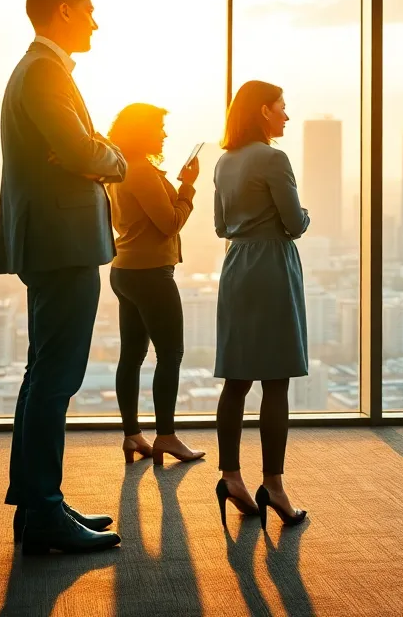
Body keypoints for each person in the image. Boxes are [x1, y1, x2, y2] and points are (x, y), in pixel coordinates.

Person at [0, 0, 126, 555]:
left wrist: (85, 155)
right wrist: (114, 157)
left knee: (43, 374)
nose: (96, 21)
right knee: (57, 378)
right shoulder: (44, 72)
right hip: (62, 241)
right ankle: (43, 509)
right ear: (65, 11)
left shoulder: (40, 69)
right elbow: (78, 150)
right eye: (89, 10)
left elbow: (72, 152)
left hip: (53, 240)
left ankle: (38, 504)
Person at [212, 80, 309, 532]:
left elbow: (220, 226)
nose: (286, 115)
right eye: (281, 107)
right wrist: (304, 216)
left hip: (236, 267)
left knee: (236, 379)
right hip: (271, 266)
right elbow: (295, 222)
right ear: (263, 111)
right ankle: (274, 485)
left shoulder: (224, 161)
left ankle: (231, 476)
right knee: (275, 380)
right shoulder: (274, 159)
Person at [106, 103, 204, 466]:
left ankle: (132, 435)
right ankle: (166, 436)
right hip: (150, 273)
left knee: (131, 356)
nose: (164, 134)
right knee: (170, 354)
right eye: (158, 127)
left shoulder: (118, 169)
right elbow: (169, 223)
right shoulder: (142, 172)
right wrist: (188, 188)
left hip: (124, 270)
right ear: (141, 131)